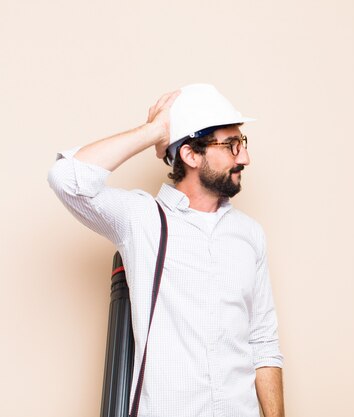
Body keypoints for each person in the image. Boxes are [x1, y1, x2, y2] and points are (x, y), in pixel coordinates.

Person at [48, 84, 285, 417]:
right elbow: (66, 177)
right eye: (231, 145)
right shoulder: (141, 219)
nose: (244, 157)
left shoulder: (249, 234)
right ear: (190, 155)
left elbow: (263, 344)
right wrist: (155, 131)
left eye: (242, 143)